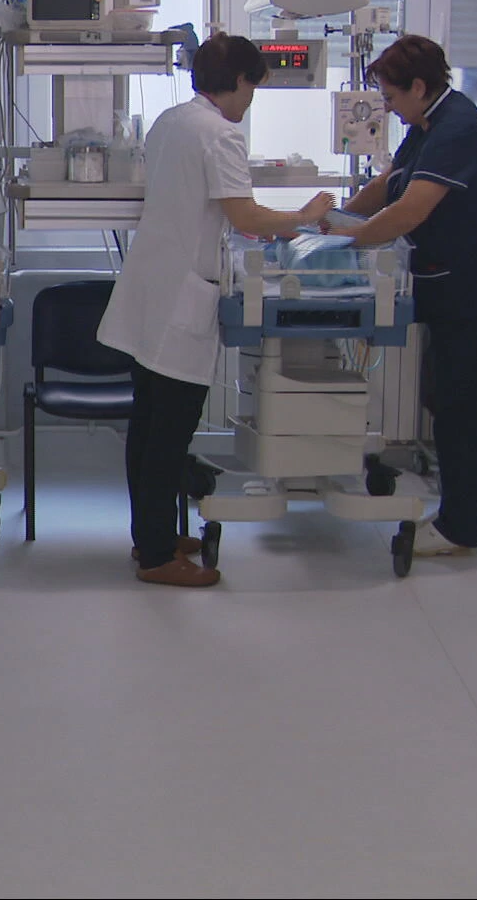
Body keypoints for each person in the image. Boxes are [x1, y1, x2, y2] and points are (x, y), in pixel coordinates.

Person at [97, 33, 336, 587]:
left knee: (148, 426)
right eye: (253, 88)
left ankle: (150, 536)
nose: (251, 100)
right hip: (180, 297)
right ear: (240, 80)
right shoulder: (221, 134)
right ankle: (158, 557)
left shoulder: (170, 122)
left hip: (150, 288)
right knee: (169, 434)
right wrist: (305, 216)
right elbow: (245, 217)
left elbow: (200, 205)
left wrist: (276, 224)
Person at [328, 34, 477, 557]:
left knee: (464, 409)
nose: (388, 108)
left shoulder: (458, 129)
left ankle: (459, 529)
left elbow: (410, 210)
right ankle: (456, 516)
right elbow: (389, 184)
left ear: (419, 87)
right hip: (452, 285)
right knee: (448, 401)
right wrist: (336, 217)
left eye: (391, 97)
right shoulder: (427, 125)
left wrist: (342, 240)